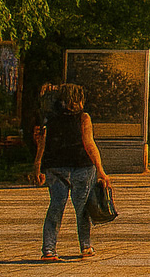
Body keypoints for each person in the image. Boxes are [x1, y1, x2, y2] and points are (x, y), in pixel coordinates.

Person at [31, 83, 111, 261]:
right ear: (77, 100)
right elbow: (89, 144)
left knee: (56, 207)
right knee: (82, 208)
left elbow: (42, 145)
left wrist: (37, 166)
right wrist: (100, 170)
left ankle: (49, 250)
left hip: (55, 168)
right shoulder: (83, 118)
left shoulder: (49, 119)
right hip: (81, 166)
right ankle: (85, 246)